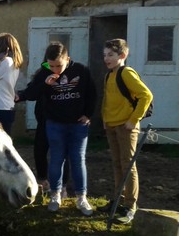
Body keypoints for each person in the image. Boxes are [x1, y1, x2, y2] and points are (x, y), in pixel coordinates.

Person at [17, 42, 97, 216]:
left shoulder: (81, 71)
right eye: (51, 65)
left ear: (67, 59)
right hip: (54, 123)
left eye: (59, 65)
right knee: (56, 158)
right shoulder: (46, 71)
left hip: (78, 124)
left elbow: (92, 94)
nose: (55, 70)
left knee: (77, 159)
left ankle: (81, 197)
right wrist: (46, 84)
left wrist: (88, 114)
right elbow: (31, 94)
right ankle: (55, 194)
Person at [98, 38, 153, 224]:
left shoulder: (126, 73)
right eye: (105, 55)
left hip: (126, 126)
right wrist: (105, 119)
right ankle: (118, 201)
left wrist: (133, 119)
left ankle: (130, 207)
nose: (107, 59)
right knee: (117, 164)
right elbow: (108, 99)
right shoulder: (109, 75)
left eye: (111, 55)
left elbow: (146, 95)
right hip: (112, 125)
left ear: (123, 55)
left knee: (128, 165)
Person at [16, 60, 71, 197]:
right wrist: (21, 95)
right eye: (50, 64)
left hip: (62, 122)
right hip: (44, 120)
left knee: (61, 155)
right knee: (39, 151)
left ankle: (62, 187)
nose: (53, 67)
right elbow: (32, 90)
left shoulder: (70, 74)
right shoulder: (43, 73)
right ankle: (43, 181)